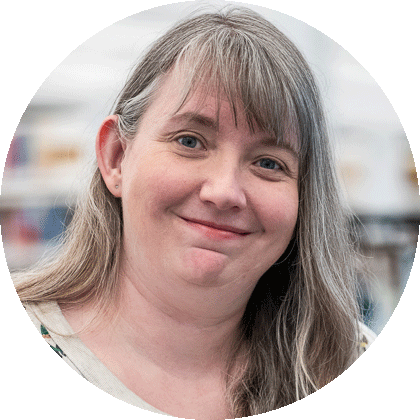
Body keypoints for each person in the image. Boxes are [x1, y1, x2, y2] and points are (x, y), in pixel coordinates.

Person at [12, 6, 376, 419]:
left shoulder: (346, 357)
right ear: (116, 157)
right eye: (190, 141)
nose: (224, 192)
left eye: (269, 163)